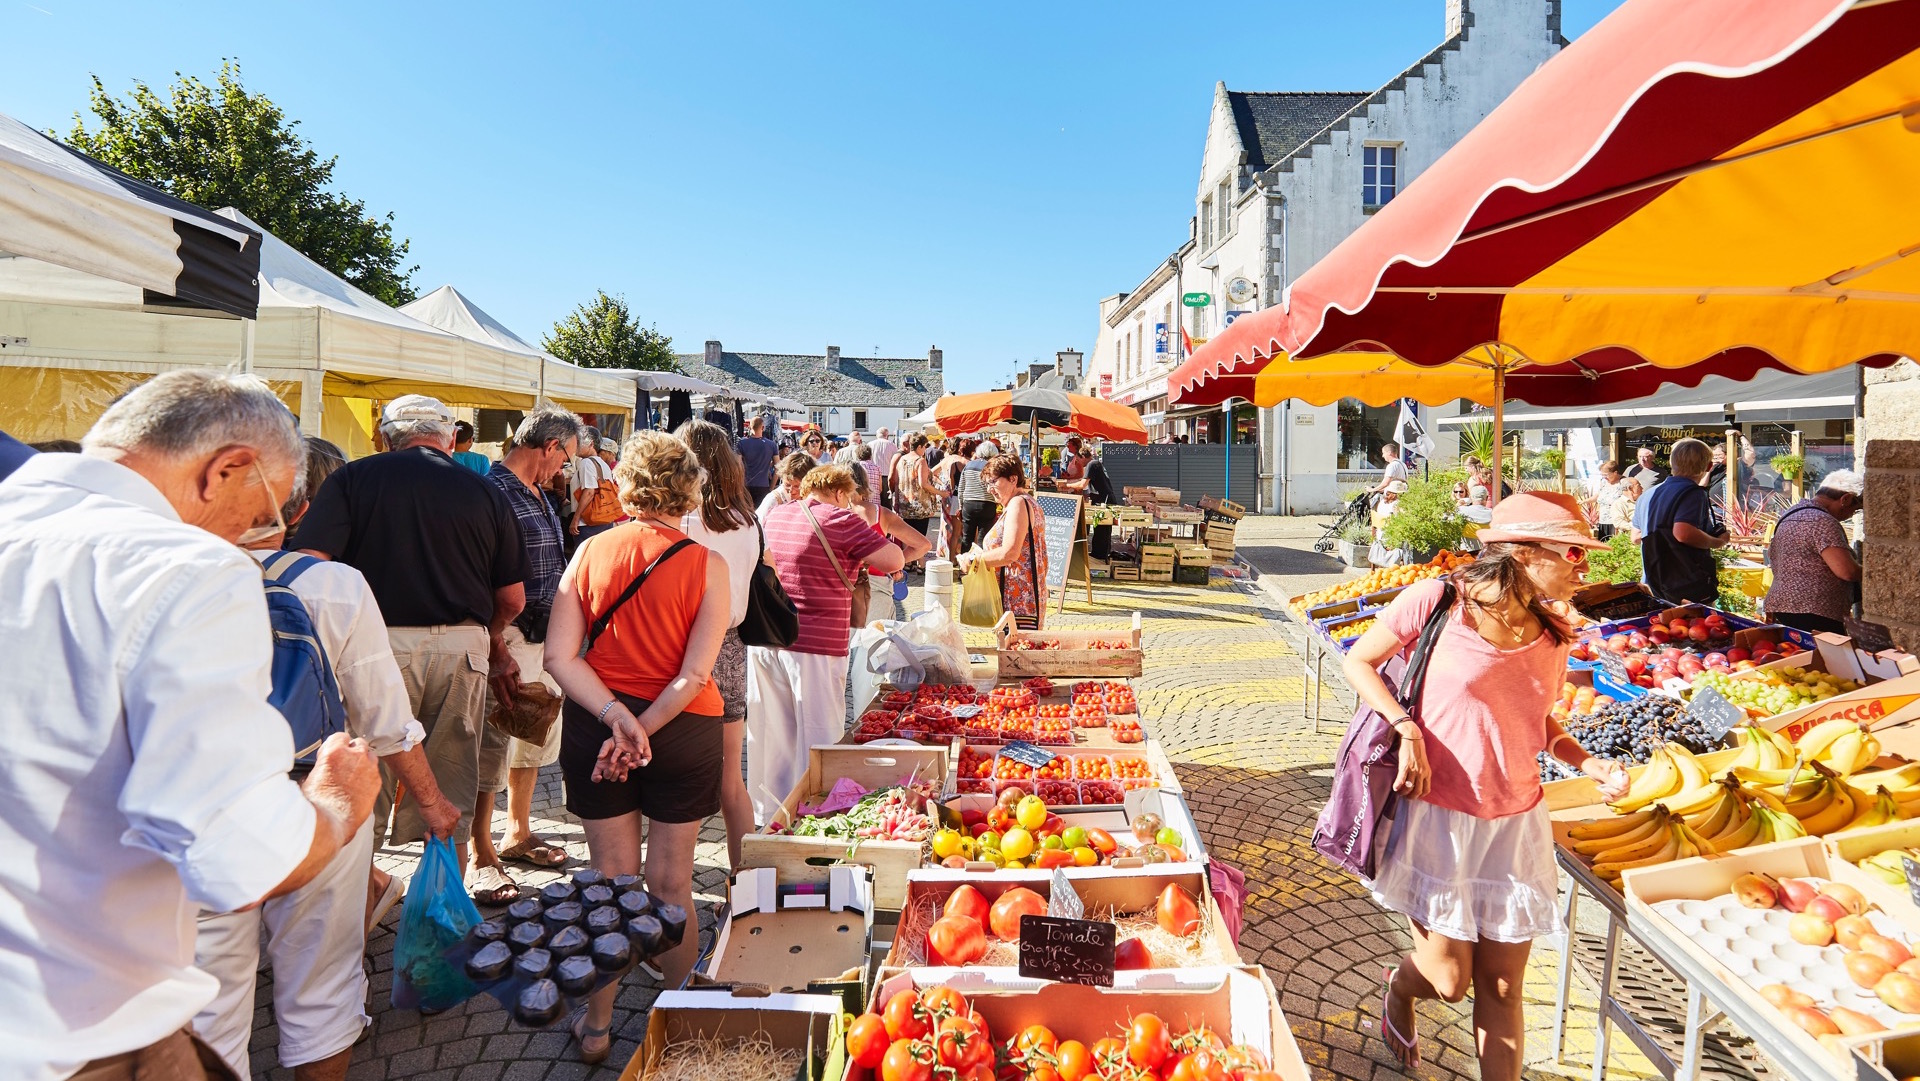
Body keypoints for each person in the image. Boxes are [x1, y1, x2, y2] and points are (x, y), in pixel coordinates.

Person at [0, 370, 381, 1081]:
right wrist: (334, 806)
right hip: (83, 1032)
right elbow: (238, 859)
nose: (257, 539)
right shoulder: (184, 565)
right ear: (224, 469)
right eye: (264, 514)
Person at [194, 436, 457, 1081]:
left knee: (209, 1004)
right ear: (302, 503)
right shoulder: (334, 586)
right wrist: (432, 802)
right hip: (319, 793)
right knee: (321, 982)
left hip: (201, 805)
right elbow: (385, 719)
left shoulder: (165, 576)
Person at [1342, 491, 1625, 1081]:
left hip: (1515, 820)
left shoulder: (1555, 633)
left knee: (1502, 986)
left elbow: (1537, 719)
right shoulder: (1440, 601)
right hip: (1439, 818)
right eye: (1574, 551)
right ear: (1521, 552)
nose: (1585, 567)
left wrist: (1583, 760)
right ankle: (1400, 986)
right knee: (1449, 981)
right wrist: (1406, 728)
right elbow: (1360, 661)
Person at [290, 393, 530, 901]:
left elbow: (310, 563)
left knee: (363, 786)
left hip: (373, 646)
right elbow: (512, 597)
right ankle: (443, 928)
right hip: (463, 648)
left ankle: (351, 923)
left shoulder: (352, 479)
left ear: (383, 436)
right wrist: (489, 635)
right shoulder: (484, 490)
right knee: (451, 788)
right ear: (449, 439)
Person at [542, 432, 730, 1062]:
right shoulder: (708, 564)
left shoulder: (590, 551)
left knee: (610, 880)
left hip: (598, 724)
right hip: (682, 730)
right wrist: (643, 725)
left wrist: (616, 718)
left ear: (626, 485)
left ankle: (597, 1027)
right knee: (673, 881)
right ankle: (685, 1019)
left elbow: (558, 657)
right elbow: (694, 676)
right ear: (690, 492)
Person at [746, 465, 903, 824]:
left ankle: (773, 813)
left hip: (768, 636)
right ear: (839, 492)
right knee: (819, 731)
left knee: (772, 729)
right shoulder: (841, 519)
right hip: (815, 639)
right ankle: (817, 810)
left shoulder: (777, 513)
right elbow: (893, 559)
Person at [470, 408, 584, 892]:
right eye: (567, 458)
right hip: (508, 633)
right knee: (493, 740)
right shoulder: (491, 491)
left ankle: (517, 831)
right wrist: (496, 642)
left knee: (534, 733)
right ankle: (481, 847)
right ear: (550, 445)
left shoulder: (539, 492)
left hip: (543, 631)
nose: (566, 469)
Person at [675, 419, 762, 869]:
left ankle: (674, 880)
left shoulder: (680, 523)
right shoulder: (746, 522)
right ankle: (744, 883)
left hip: (680, 645)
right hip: (729, 647)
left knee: (677, 778)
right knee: (731, 778)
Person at [1764, 469, 1865, 634]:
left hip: (1782, 606)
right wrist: (1875, 574)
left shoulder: (1790, 514)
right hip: (1816, 612)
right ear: (1845, 499)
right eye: (1855, 509)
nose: (1851, 515)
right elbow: (1846, 571)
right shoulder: (1823, 522)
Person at [960, 454, 1050, 630]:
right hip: (1021, 597)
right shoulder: (1024, 502)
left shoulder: (1018, 504)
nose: (989, 489)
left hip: (1019, 600)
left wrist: (974, 561)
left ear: (1013, 479)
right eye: (986, 484)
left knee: (1017, 654)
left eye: (993, 481)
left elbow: (1010, 553)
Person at [1639, 437, 1729, 604]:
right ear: (1709, 467)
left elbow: (1636, 536)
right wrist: (1717, 541)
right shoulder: (1693, 493)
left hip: (1653, 581)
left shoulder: (1647, 495)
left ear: (1672, 463)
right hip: (1685, 585)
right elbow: (1683, 533)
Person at [849, 458, 933, 622]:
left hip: (842, 590)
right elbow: (923, 545)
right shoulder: (882, 515)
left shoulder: (832, 514)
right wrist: (893, 563)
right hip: (877, 591)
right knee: (876, 643)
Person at [569, 426, 621, 551]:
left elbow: (589, 492)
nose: (577, 446)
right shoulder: (603, 464)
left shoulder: (586, 463)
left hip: (588, 522)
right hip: (604, 520)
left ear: (591, 444)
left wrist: (575, 519)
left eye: (580, 442)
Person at [890, 433, 938, 568]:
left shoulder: (901, 459)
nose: (925, 450)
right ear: (920, 446)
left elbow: (896, 481)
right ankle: (921, 565)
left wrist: (897, 500)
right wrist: (941, 493)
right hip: (920, 504)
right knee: (920, 536)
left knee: (908, 535)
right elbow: (924, 484)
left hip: (904, 502)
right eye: (924, 447)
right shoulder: (920, 461)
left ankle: (907, 563)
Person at [958, 440, 998, 553]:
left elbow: (961, 487)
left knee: (967, 538)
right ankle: (979, 567)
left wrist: (961, 506)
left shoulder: (969, 465)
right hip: (986, 504)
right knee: (983, 539)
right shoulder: (991, 467)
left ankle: (964, 566)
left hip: (968, 504)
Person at [757, 451, 816, 519]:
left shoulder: (816, 497)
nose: (792, 491)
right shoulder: (773, 500)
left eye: (797, 486)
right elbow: (759, 525)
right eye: (787, 485)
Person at [738, 416, 779, 507]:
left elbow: (737, 466)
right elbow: (778, 468)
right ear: (763, 428)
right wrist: (771, 488)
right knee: (761, 515)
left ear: (749, 427)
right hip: (763, 486)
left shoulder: (742, 443)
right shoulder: (771, 445)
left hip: (746, 486)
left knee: (746, 515)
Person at [1591, 460, 1624, 541]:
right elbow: (1597, 496)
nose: (1604, 477)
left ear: (1615, 473)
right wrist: (1583, 501)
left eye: (1606, 475)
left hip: (1615, 521)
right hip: (1603, 520)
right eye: (1602, 475)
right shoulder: (1604, 482)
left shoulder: (1623, 482)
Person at [870, 426, 899, 492]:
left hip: (874, 476)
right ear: (887, 435)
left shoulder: (870, 444)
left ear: (877, 435)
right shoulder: (892, 445)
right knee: (886, 500)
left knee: (874, 498)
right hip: (887, 475)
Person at [1614, 477, 1644, 542]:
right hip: (1629, 539)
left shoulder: (1642, 501)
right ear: (1630, 488)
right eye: (1639, 486)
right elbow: (1618, 522)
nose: (1642, 488)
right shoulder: (1619, 503)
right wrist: (1636, 527)